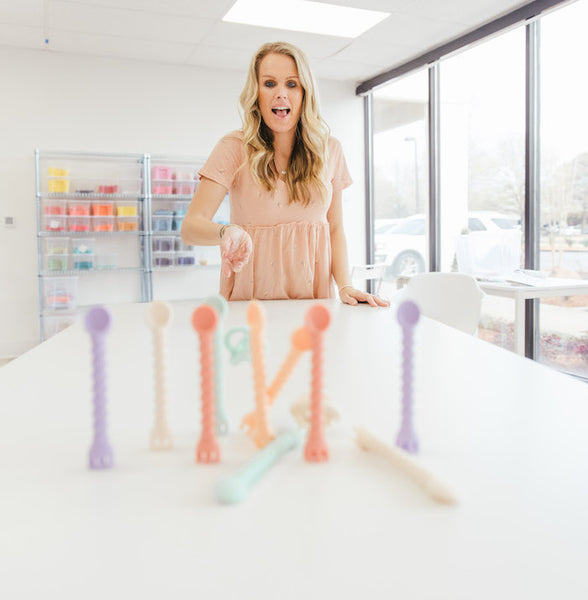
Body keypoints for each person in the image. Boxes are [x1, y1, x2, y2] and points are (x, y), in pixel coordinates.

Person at [180, 41, 389, 308]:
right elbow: (190, 228)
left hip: (314, 309)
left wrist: (345, 285)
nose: (281, 94)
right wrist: (226, 231)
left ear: (305, 92)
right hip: (249, 310)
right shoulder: (233, 147)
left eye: (291, 84)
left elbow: (335, 228)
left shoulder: (331, 150)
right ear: (256, 92)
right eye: (269, 84)